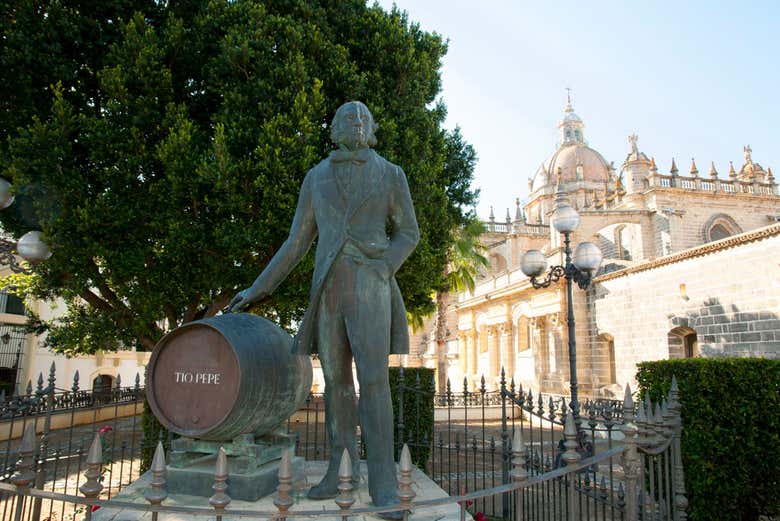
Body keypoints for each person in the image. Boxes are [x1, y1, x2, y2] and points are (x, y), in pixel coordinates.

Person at [228, 101, 418, 519]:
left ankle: (384, 480)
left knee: (374, 380)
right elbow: (296, 242)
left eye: (365, 118)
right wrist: (258, 288)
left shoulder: (391, 174)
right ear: (334, 129)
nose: (357, 122)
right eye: (348, 118)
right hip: (328, 287)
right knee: (335, 383)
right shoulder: (316, 177)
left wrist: (384, 268)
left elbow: (409, 232)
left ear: (372, 130)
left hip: (371, 286)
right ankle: (339, 468)